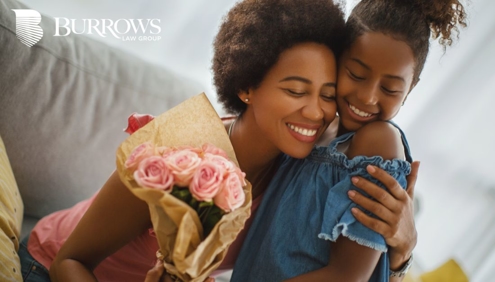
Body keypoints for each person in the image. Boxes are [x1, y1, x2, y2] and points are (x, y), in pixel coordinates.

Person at [17, 1, 416, 281]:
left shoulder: (298, 169)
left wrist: (401, 249)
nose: (316, 113)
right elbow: (70, 261)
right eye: (296, 91)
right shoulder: (177, 150)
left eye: (327, 95)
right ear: (247, 86)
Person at [229, 0, 467, 281]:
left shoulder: (379, 142)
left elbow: (347, 276)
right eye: (356, 74)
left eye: (390, 88)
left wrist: (402, 255)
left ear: (410, 88)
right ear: (338, 59)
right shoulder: (315, 129)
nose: (367, 97)